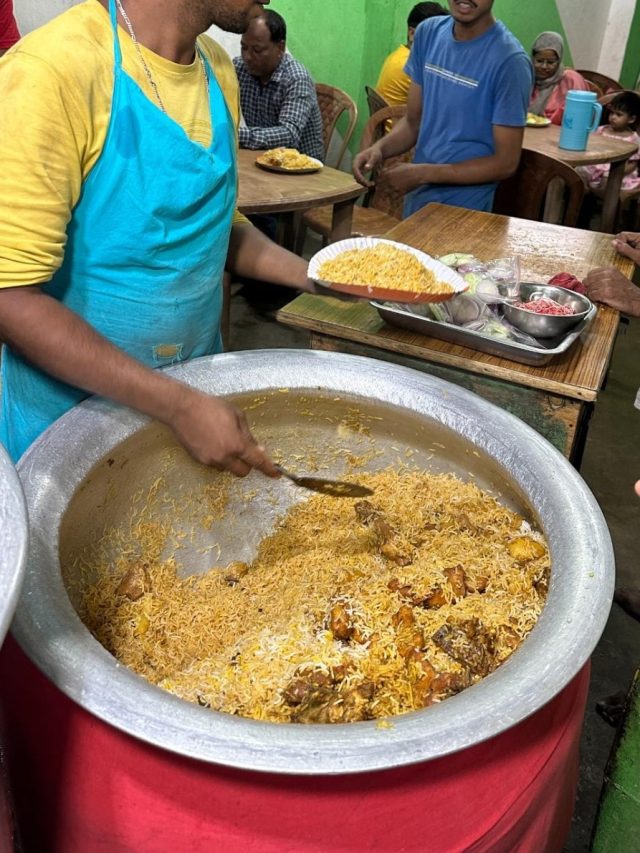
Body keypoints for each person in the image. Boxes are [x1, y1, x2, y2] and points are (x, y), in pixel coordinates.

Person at [0, 0, 318, 476]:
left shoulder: (216, 71)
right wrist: (176, 405)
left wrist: (316, 275)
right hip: (71, 428)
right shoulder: (54, 71)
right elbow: (10, 297)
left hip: (192, 400)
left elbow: (214, 230)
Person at [353, 0, 533, 218]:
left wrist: (422, 174)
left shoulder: (510, 61)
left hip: (466, 211)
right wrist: (380, 149)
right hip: (418, 199)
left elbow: (505, 163)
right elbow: (413, 122)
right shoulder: (428, 33)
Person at [233, 10, 323, 161]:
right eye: (244, 47)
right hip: (263, 160)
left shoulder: (296, 78)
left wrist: (235, 134)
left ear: (280, 48)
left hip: (302, 169)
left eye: (257, 50)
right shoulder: (240, 68)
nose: (247, 57)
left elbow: (289, 135)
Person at [375, 2, 448, 109]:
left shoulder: (400, 54)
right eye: (432, 36)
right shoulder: (409, 65)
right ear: (412, 33)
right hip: (400, 124)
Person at [578, 91, 640, 194]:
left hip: (617, 173)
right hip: (595, 167)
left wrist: (613, 173)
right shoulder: (601, 130)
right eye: (612, 113)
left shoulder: (633, 139)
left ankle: (602, 206)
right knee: (577, 172)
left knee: (607, 183)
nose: (613, 117)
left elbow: (633, 164)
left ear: (631, 119)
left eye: (619, 115)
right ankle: (582, 199)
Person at [529, 31, 590, 126]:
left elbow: (580, 116)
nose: (544, 66)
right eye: (539, 61)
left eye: (550, 62)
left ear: (559, 60)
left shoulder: (572, 80)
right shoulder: (527, 78)